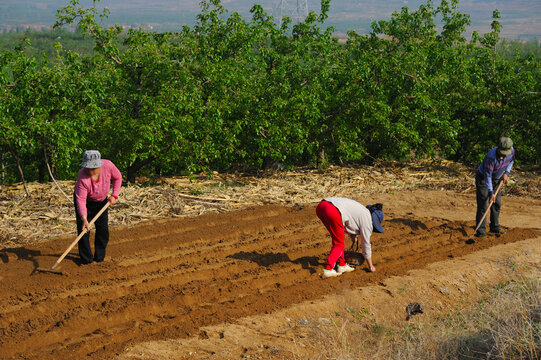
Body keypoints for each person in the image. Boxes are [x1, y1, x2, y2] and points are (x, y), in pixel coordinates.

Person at [316, 197, 384, 277]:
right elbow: (366, 244)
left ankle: (341, 265)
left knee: (337, 239)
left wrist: (352, 235)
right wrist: (371, 266)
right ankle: (328, 269)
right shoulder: (368, 220)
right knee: (339, 244)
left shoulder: (363, 211)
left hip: (322, 206)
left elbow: (348, 221)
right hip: (333, 210)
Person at [74, 150, 122, 264]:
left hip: (102, 202)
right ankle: (86, 260)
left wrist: (114, 195)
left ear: (99, 165)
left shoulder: (108, 166)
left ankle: (99, 258)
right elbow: (80, 200)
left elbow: (118, 178)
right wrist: (84, 219)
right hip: (85, 202)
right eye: (88, 168)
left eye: (93, 168)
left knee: (103, 230)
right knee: (84, 230)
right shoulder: (82, 177)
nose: (90, 171)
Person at [475, 137, 514, 237]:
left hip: (497, 179)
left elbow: (511, 161)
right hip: (483, 179)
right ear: (498, 148)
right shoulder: (490, 157)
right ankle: (480, 231)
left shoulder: (511, 151)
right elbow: (487, 176)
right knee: (484, 203)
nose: (503, 155)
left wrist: (507, 172)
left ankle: (495, 227)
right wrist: (491, 192)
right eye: (502, 152)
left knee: (497, 203)